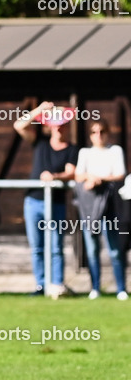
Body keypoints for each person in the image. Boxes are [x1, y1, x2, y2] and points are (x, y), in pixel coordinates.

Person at [14, 101, 78, 298]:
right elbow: (19, 125)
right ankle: (41, 285)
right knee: (37, 247)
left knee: (56, 246)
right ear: (50, 126)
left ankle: (56, 285)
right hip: (33, 201)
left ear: (66, 126)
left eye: (62, 124)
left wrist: (54, 177)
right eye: (55, 123)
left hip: (55, 203)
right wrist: (40, 110)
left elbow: (71, 173)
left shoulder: (72, 150)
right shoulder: (40, 143)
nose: (59, 127)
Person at [74, 119, 127, 300]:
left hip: (110, 205)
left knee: (114, 249)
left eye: (102, 131)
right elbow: (78, 175)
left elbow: (120, 173)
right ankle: (95, 287)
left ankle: (121, 288)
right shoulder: (85, 153)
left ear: (107, 133)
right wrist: (90, 177)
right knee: (91, 248)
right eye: (95, 132)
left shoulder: (115, 150)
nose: (99, 135)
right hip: (89, 205)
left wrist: (100, 179)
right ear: (90, 135)